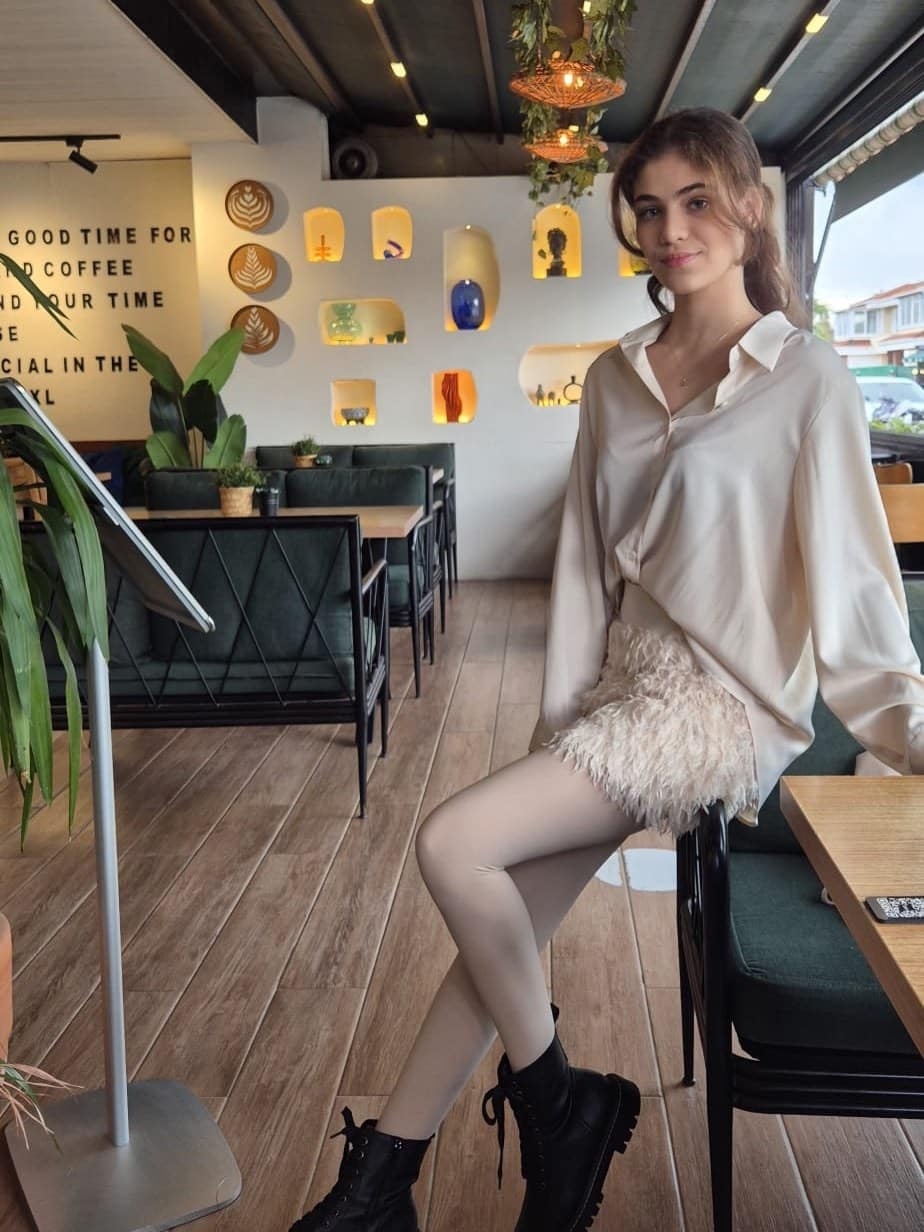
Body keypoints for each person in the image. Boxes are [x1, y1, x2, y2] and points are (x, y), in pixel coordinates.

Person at [288, 106, 924, 1232]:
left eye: (697, 202)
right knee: (506, 932)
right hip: (625, 690)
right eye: (650, 208)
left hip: (723, 704)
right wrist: (557, 728)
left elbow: (857, 590)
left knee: (453, 843)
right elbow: (584, 569)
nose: (671, 230)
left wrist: (907, 734)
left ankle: (562, 1107)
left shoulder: (808, 378)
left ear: (749, 209)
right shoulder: (615, 377)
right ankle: (379, 1183)